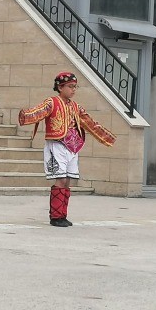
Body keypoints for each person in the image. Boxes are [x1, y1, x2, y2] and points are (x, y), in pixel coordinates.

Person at [18, 72, 116, 227]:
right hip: (56, 145)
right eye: (70, 86)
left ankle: (62, 215)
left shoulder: (76, 107)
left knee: (68, 180)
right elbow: (39, 111)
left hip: (72, 147)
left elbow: (90, 123)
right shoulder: (52, 102)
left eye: (75, 87)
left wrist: (106, 137)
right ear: (60, 87)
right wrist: (25, 116)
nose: (73, 90)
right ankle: (55, 216)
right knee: (61, 179)